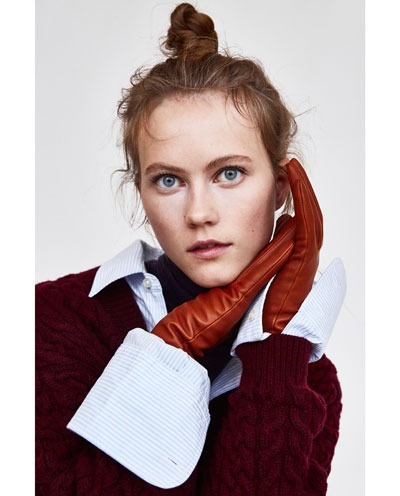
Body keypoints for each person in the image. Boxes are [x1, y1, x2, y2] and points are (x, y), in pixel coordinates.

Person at [36, 3, 346, 495]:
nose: (199, 213)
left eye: (229, 173)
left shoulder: (309, 379)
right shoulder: (49, 321)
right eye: (168, 180)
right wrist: (170, 351)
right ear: (140, 192)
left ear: (282, 187)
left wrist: (276, 346)